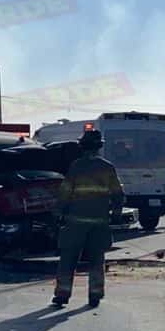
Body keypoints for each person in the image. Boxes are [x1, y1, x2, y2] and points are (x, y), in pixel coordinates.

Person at [53, 129, 125, 309]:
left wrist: (58, 213)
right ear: (99, 147)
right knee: (96, 259)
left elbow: (65, 192)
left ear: (83, 147)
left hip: (75, 222)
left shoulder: (76, 166)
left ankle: (62, 294)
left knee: (68, 258)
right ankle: (95, 294)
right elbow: (118, 194)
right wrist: (116, 214)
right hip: (99, 221)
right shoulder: (107, 167)